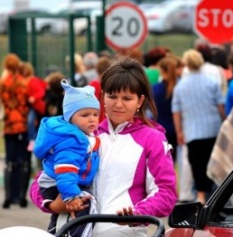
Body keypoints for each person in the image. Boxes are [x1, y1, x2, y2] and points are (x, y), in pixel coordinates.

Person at [30, 56, 178, 236]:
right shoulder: (82, 135)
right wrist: (53, 205)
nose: (118, 104)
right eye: (112, 96)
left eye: (127, 98)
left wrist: (138, 213)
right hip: (69, 230)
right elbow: (42, 180)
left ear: (140, 101)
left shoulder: (153, 139)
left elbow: (166, 193)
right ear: (102, 96)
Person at [34, 79, 100, 236]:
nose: (91, 119)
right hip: (58, 183)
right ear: (70, 118)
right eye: (85, 115)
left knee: (62, 215)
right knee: (83, 205)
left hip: (61, 182)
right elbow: (65, 170)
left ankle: (53, 230)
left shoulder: (83, 135)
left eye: (95, 114)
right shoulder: (72, 140)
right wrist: (71, 196)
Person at [172, 49, 225, 204]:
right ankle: (215, 194)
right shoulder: (212, 82)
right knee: (212, 161)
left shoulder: (180, 86)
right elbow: (220, 106)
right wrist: (225, 120)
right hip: (213, 128)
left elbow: (177, 112)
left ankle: (201, 195)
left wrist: (179, 132)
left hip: (192, 130)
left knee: (196, 163)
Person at [1, 53, 31, 209]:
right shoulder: (23, 83)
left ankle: (8, 197)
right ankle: (21, 197)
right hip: (23, 126)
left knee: (9, 162)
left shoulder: (3, 83)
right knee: (23, 161)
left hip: (9, 127)